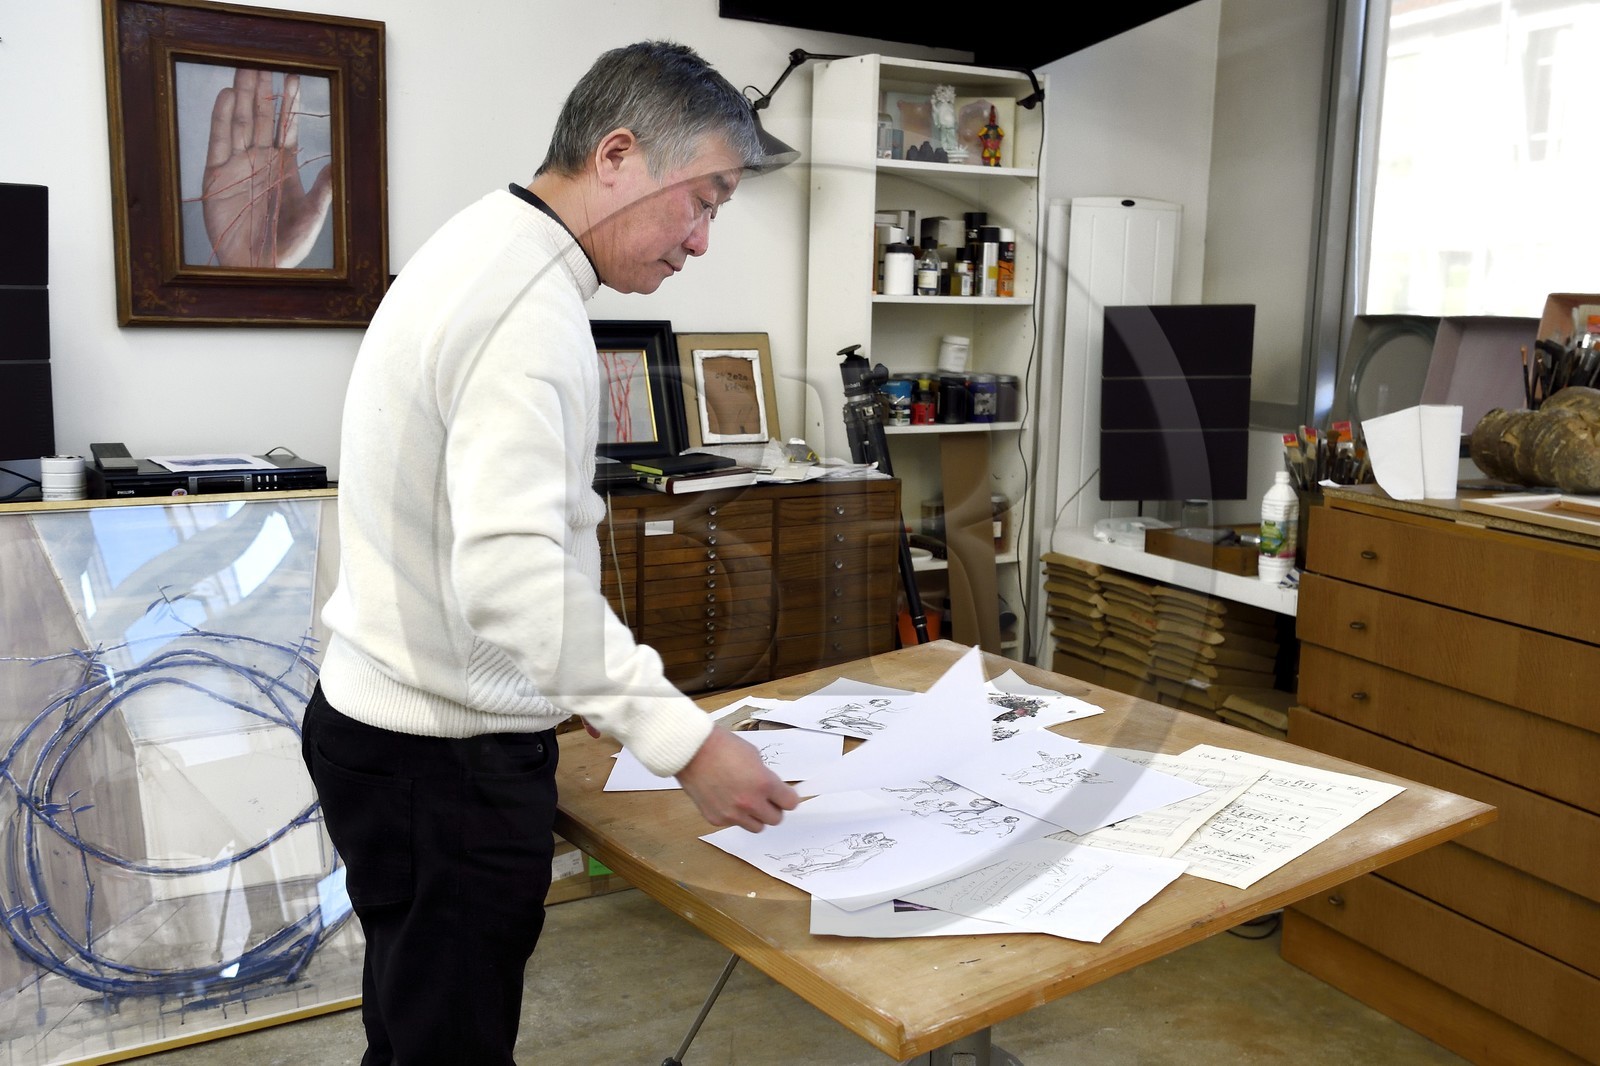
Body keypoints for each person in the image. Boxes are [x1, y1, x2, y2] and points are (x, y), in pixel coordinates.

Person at [300, 41, 799, 1065]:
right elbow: (514, 574)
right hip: (441, 765)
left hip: (382, 726)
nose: (701, 241)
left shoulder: (482, 243)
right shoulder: (529, 313)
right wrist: (690, 744)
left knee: (410, 1024)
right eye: (700, 201)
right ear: (616, 155)